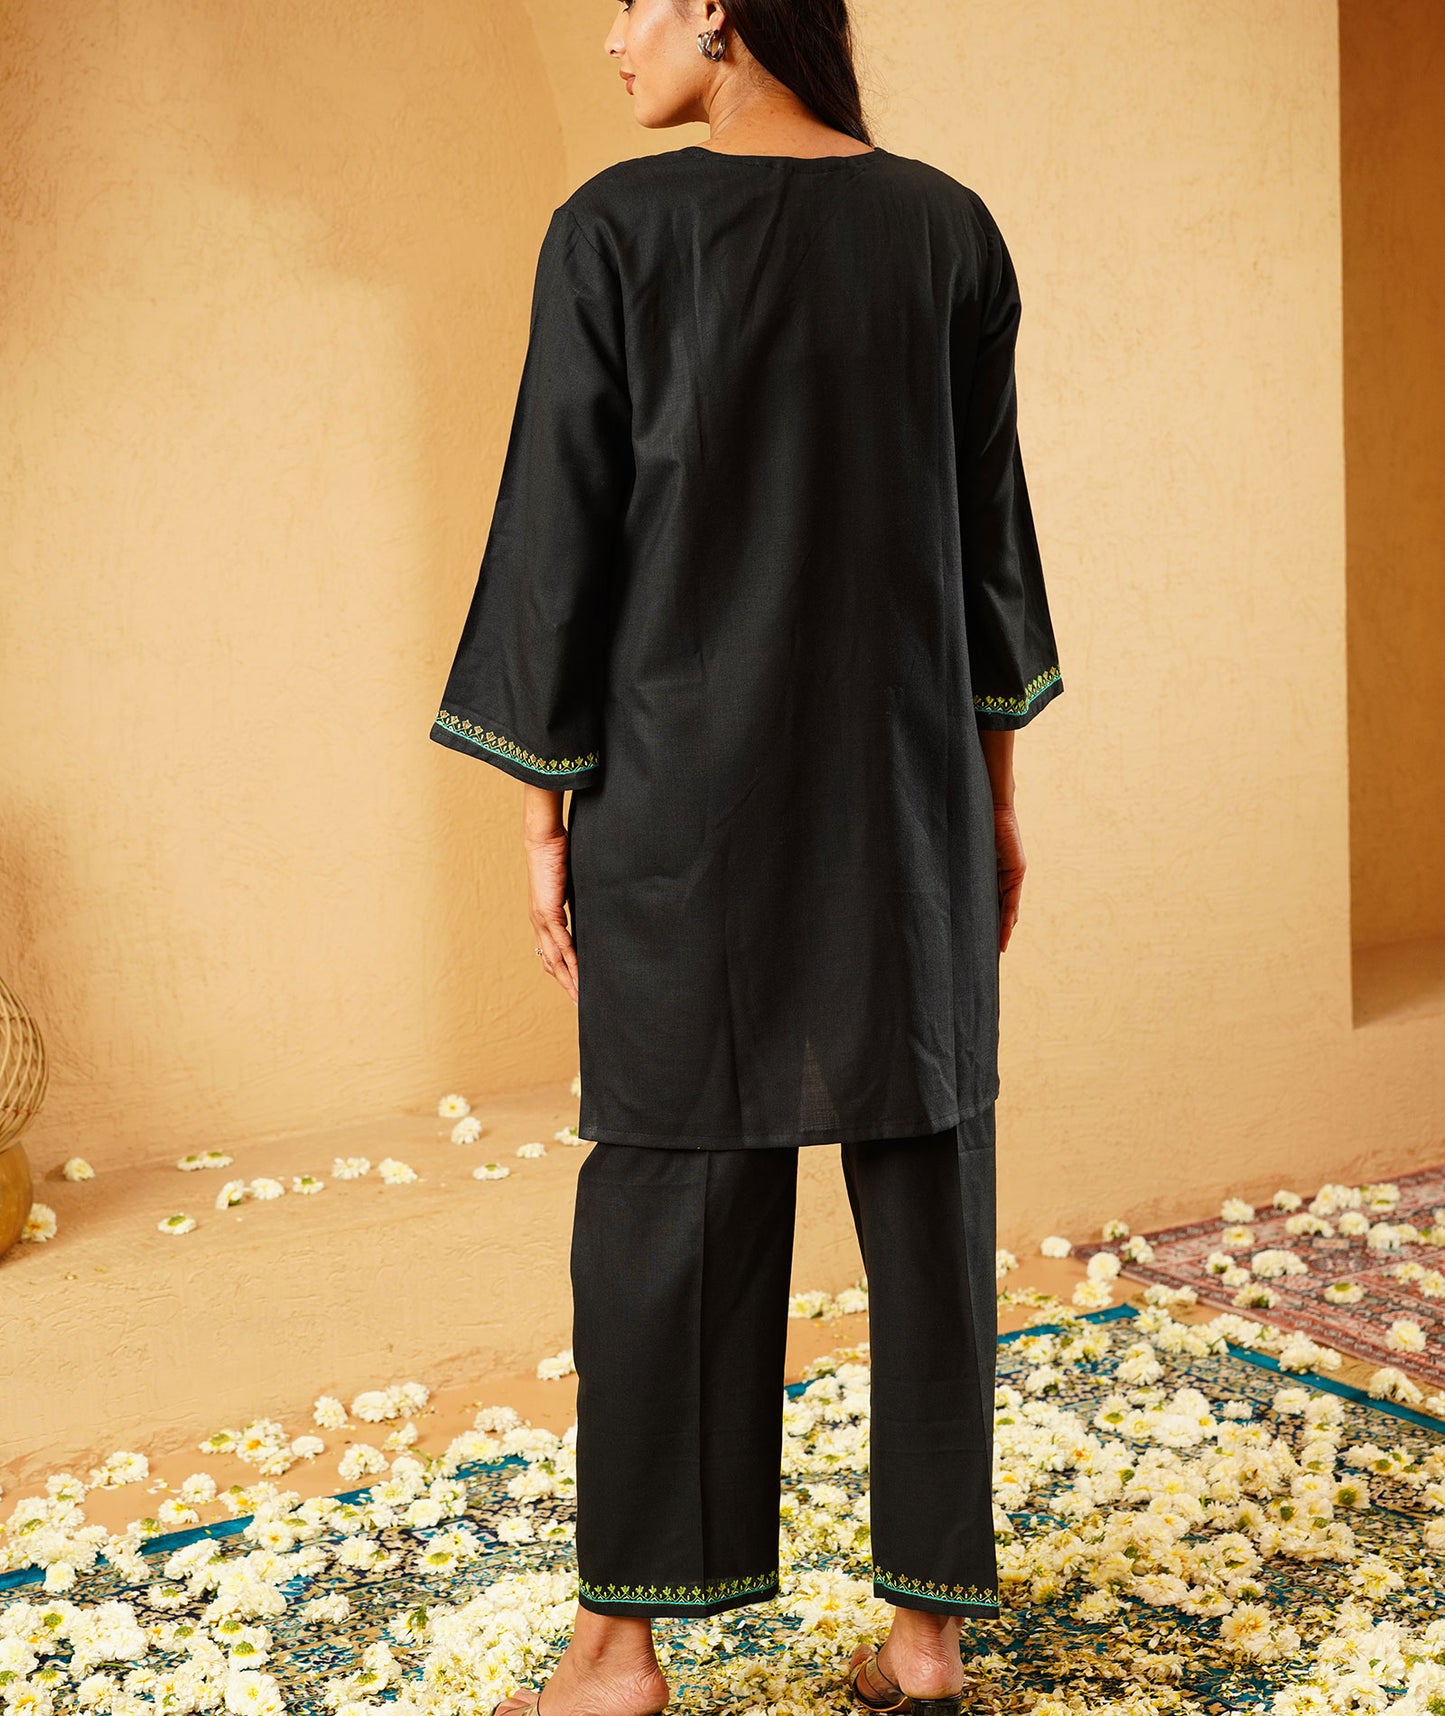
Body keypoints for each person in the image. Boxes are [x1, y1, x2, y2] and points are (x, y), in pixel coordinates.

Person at [428, 0, 1065, 1710]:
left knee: (667, 1183)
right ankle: (924, 1639)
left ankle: (618, 1650)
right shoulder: (945, 230)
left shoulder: (614, 232)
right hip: (904, 793)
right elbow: (987, 550)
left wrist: (541, 814)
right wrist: (992, 796)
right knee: (927, 1169)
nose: (607, 35)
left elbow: (558, 534)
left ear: (716, 4)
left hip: (675, 799)